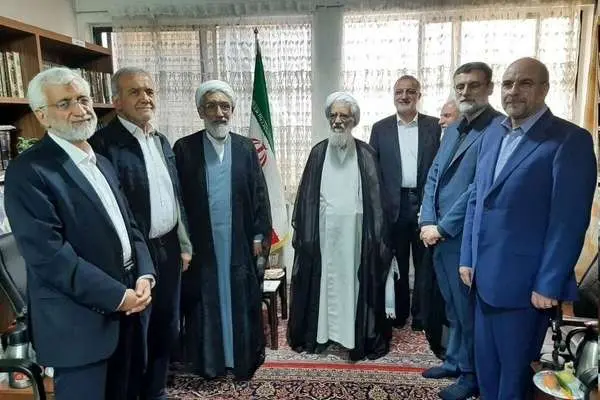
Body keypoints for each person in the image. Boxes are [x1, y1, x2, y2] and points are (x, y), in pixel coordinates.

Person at [4, 67, 155, 400]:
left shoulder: (101, 161)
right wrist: (118, 296)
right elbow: (50, 256)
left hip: (128, 313)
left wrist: (145, 274)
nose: (80, 110)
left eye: (84, 99)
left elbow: (130, 227)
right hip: (79, 325)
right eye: (65, 103)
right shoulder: (28, 171)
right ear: (42, 115)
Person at [459, 57, 596, 399]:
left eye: (525, 83)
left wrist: (549, 282)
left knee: (515, 375)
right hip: (482, 279)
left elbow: (568, 221)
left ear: (545, 89)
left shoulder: (569, 140)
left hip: (526, 286)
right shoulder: (493, 133)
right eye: (508, 83)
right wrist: (467, 258)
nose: (513, 91)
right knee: (487, 368)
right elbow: (477, 199)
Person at [89, 67, 192, 400]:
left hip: (169, 247)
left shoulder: (160, 140)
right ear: (116, 101)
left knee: (166, 324)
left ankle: (156, 391)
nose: (145, 98)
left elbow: (176, 195)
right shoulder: (102, 145)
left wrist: (184, 244)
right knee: (136, 331)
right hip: (134, 253)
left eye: (149, 91)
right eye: (134, 92)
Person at [173, 80, 272, 380]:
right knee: (206, 299)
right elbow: (178, 201)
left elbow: (259, 194)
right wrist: (183, 243)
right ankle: (211, 362)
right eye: (212, 106)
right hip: (201, 244)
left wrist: (259, 235)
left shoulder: (244, 147)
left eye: (225, 106)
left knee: (239, 297)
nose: (219, 113)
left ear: (232, 110)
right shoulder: (184, 148)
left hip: (239, 241)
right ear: (200, 111)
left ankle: (240, 359)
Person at [288, 92, 392, 361]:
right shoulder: (318, 152)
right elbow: (306, 200)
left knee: (351, 282)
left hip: (355, 236)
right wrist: (309, 236)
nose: (337, 121)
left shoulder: (366, 153)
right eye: (333, 115)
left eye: (344, 115)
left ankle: (351, 336)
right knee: (325, 281)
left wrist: (375, 237)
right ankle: (322, 335)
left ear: (353, 120)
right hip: (324, 234)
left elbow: (376, 201)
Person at [419, 62, 502, 400]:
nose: (466, 92)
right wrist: (427, 221)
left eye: (474, 85)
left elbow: (477, 189)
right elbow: (434, 174)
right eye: (460, 86)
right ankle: (454, 361)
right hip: (437, 234)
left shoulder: (498, 128)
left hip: (464, 237)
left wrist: (442, 227)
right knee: (452, 306)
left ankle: (471, 376)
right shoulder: (454, 128)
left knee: (468, 312)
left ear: (490, 88)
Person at [369, 75, 441, 330]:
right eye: (399, 91)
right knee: (396, 260)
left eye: (410, 91)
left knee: (424, 263)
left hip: (425, 204)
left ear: (419, 96)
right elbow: (373, 171)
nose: (404, 96)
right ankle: (398, 314)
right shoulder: (380, 128)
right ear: (393, 95)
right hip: (393, 205)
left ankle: (421, 316)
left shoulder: (434, 126)